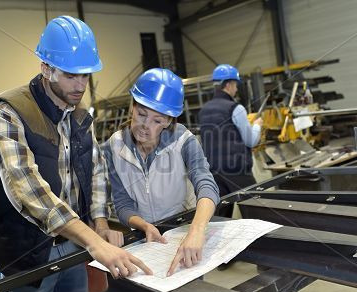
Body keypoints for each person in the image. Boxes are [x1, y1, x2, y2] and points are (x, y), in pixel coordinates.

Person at [0, 16, 151, 292]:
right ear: (46, 68)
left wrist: (100, 224)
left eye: (85, 75)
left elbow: (96, 173)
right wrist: (94, 241)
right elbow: (26, 189)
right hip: (25, 249)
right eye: (70, 75)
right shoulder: (6, 113)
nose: (80, 86)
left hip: (73, 243)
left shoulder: (79, 116)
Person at [103, 68, 220, 276]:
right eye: (141, 114)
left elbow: (207, 185)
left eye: (157, 120)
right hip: (144, 239)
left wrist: (196, 230)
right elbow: (121, 203)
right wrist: (143, 225)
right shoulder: (114, 146)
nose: (144, 126)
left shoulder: (184, 141)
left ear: (168, 121)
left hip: (183, 233)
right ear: (132, 106)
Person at [198, 64, 263, 219]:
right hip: (237, 171)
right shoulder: (235, 108)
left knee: (220, 218)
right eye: (235, 85)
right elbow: (251, 140)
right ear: (228, 84)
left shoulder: (203, 110)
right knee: (256, 212)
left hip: (213, 172)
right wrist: (257, 126)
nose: (236, 89)